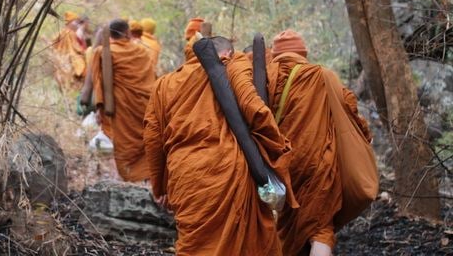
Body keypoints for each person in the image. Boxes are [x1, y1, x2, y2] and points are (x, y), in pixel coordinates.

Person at [143, 35, 296, 255]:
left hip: (186, 174)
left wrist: (160, 186)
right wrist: (274, 151)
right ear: (227, 54)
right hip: (229, 170)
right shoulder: (233, 68)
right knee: (250, 244)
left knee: (194, 245)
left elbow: (153, 139)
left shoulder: (163, 85)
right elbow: (256, 110)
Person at [266, 29, 373, 256]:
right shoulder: (322, 76)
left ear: (275, 54)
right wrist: (364, 135)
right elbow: (350, 107)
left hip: (281, 165)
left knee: (287, 220)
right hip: (318, 163)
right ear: (303, 53)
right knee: (321, 226)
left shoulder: (264, 77)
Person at [91, 19, 156, 182]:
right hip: (144, 104)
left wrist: (100, 107)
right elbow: (151, 78)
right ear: (127, 33)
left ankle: (131, 175)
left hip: (122, 106)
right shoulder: (142, 51)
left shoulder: (102, 52)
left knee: (125, 142)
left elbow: (98, 81)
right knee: (145, 138)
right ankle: (148, 173)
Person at [51, 11, 88, 91]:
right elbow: (76, 48)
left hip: (63, 59)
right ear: (70, 22)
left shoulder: (71, 32)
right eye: (76, 22)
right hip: (68, 58)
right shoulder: (68, 33)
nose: (78, 25)